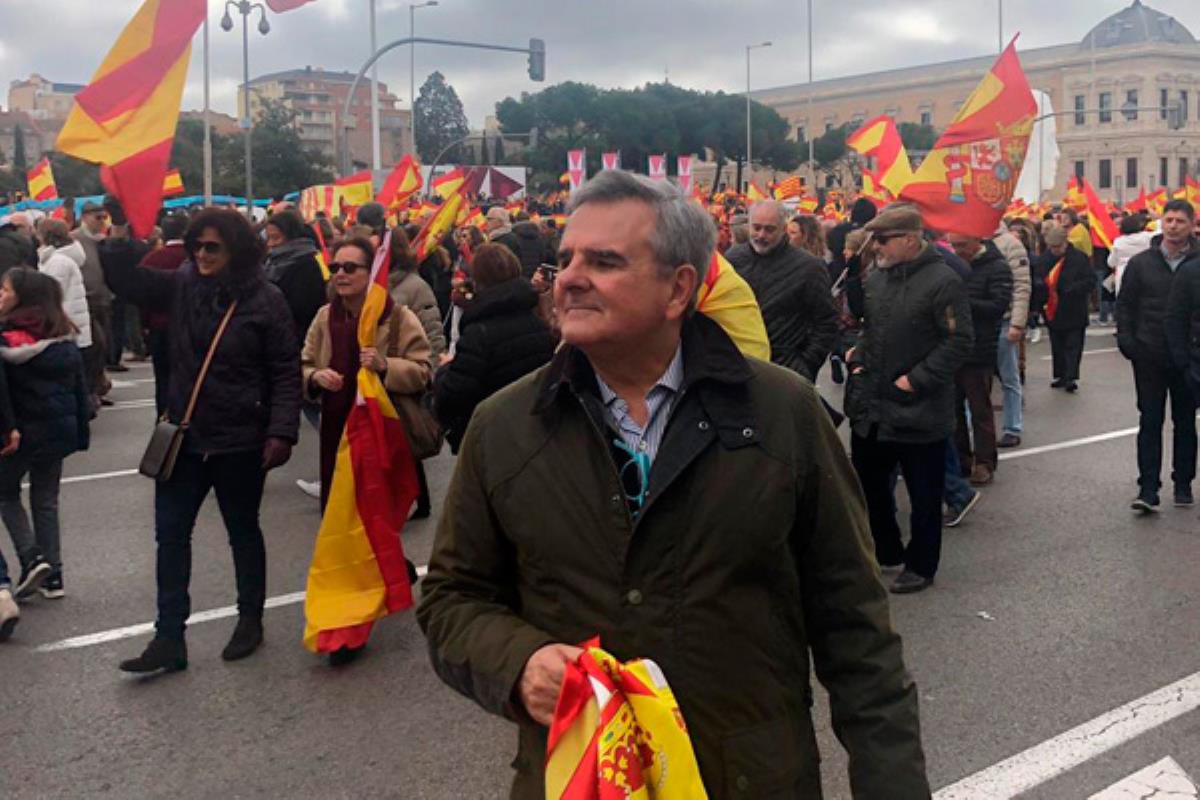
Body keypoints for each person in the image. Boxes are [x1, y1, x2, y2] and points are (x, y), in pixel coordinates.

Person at [417, 170, 929, 799]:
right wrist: (518, 665)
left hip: (748, 782)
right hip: (581, 783)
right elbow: (450, 599)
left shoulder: (782, 413)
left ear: (677, 288)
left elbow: (858, 634)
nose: (570, 277)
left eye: (604, 261)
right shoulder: (504, 427)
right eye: (567, 257)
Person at [107, 208, 302, 675]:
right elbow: (125, 282)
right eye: (196, 246)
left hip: (239, 440)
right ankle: (169, 637)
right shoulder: (181, 284)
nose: (201, 254)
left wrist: (281, 431)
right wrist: (119, 229)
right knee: (170, 537)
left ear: (235, 248)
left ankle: (249, 619)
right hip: (185, 438)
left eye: (212, 247)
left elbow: (284, 370)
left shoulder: (266, 299)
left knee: (242, 531)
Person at [301, 234, 432, 615]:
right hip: (336, 431)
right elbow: (304, 363)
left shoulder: (396, 316)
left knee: (375, 509)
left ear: (370, 272)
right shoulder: (325, 317)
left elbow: (424, 370)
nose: (340, 274)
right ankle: (361, 588)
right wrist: (315, 377)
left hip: (380, 430)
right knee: (340, 514)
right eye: (335, 267)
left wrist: (386, 365)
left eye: (350, 267)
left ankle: (378, 580)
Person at [845, 206, 973, 594]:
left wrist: (916, 380)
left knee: (923, 493)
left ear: (909, 239)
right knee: (869, 484)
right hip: (874, 404)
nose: (876, 247)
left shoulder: (942, 281)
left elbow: (959, 341)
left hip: (918, 407)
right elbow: (871, 327)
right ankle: (886, 550)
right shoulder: (879, 278)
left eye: (882, 240)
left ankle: (921, 564)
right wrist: (858, 357)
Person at [0, 268, 91, 603]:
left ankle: (31, 557)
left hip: (22, 430)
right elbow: (80, 391)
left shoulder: (8, 338)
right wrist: (80, 430)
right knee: (46, 500)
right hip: (57, 430)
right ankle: (54, 575)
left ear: (22, 297)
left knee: (6, 494)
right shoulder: (63, 336)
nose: (0, 294)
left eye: (5, 289)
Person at [432, 243, 554, 453]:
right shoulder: (538, 321)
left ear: (479, 279)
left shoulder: (480, 332)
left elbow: (452, 395)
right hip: (533, 434)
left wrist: (445, 369)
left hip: (489, 439)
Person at [1119, 200, 1200, 513]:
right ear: (1160, 224)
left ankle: (1183, 483)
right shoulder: (1142, 263)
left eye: (1180, 220)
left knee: (1185, 422)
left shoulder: (1195, 263)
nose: (1173, 226)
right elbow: (1126, 305)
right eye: (1168, 219)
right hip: (1149, 353)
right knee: (1150, 421)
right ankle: (1148, 488)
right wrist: (1128, 342)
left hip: (1188, 357)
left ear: (1192, 225)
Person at [726, 200, 839, 381]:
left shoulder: (809, 267)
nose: (761, 235)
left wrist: (805, 365)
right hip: (738, 367)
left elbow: (827, 321)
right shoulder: (733, 259)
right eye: (756, 228)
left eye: (769, 229)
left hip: (785, 372)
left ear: (783, 228)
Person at [947, 233, 1013, 486]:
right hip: (954, 346)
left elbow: (997, 306)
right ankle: (962, 458)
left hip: (980, 347)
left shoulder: (997, 267)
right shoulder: (954, 267)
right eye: (954, 245)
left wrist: (963, 303)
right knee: (953, 409)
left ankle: (985, 461)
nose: (957, 250)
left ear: (978, 242)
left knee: (979, 409)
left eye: (962, 245)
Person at [138, 213, 189, 416]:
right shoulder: (195, 257)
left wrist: (145, 325)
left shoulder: (151, 259)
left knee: (163, 377)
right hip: (190, 326)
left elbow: (142, 297)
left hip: (159, 326)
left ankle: (164, 418)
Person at [1040, 223, 1094, 393]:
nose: (1054, 250)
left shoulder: (1079, 258)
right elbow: (1039, 279)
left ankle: (1071, 376)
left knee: (1073, 345)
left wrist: (1073, 288)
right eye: (1052, 247)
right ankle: (1060, 375)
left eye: (1057, 246)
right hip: (1053, 309)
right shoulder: (1046, 259)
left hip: (1074, 308)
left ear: (1065, 243)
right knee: (1057, 345)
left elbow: (1090, 281)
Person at [262, 209, 327, 350]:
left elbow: (303, 311)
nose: (270, 244)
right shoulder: (270, 262)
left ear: (291, 236)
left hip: (296, 341)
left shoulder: (307, 264)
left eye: (276, 238)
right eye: (268, 238)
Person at [991, 225, 1031, 448]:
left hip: (1004, 319)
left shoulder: (1010, 244)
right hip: (979, 320)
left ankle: (1012, 426)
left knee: (1009, 377)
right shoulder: (970, 237)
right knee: (972, 380)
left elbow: (1021, 286)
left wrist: (1017, 322)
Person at [72, 202, 113, 405]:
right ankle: (91, 390)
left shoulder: (104, 240)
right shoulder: (74, 239)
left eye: (104, 218)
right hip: (84, 300)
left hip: (102, 298)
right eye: (97, 218)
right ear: (85, 217)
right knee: (94, 345)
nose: (101, 222)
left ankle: (97, 387)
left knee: (103, 346)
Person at [35, 219, 93, 354]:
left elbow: (52, 294)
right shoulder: (58, 258)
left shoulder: (58, 261)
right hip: (70, 323)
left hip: (66, 326)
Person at [1109, 213, 1154, 295]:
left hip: (1123, 274)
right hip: (1145, 273)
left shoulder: (1118, 242)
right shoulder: (1148, 237)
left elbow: (1111, 263)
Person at [511, 214, 556, 279]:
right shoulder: (540, 239)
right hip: (536, 275)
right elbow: (543, 256)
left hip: (520, 275)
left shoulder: (514, 239)